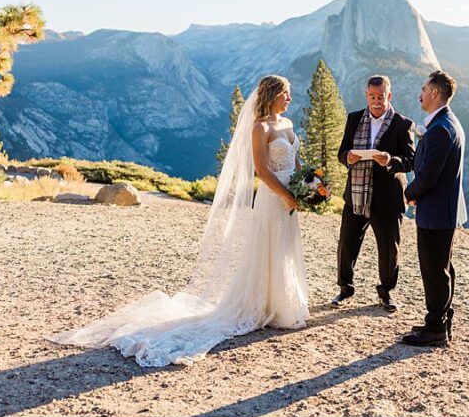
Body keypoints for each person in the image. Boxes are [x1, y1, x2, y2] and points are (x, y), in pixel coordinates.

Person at [50, 75, 308, 367]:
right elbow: (261, 169)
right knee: (267, 249)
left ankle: (282, 304)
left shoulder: (287, 125)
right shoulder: (260, 127)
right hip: (274, 198)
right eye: (285, 94)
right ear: (272, 95)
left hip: (292, 197)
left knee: (286, 248)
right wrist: (286, 194)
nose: (289, 99)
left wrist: (308, 183)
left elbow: (295, 161)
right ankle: (259, 305)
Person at [332, 75, 416, 312]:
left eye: (381, 97)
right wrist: (347, 157)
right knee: (347, 245)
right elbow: (342, 152)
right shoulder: (354, 119)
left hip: (387, 197)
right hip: (356, 194)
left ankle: (386, 292)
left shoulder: (403, 124)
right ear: (366, 95)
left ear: (389, 96)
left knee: (389, 249)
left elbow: (411, 161)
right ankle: (344, 288)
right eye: (372, 97)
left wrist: (391, 160)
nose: (377, 101)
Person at [400, 70, 466, 348]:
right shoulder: (446, 122)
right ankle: (440, 320)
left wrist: (408, 193)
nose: (421, 92)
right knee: (442, 267)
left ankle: (435, 329)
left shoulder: (440, 129)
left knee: (434, 269)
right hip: (442, 209)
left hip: (437, 211)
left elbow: (428, 175)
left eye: (424, 88)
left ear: (435, 93)